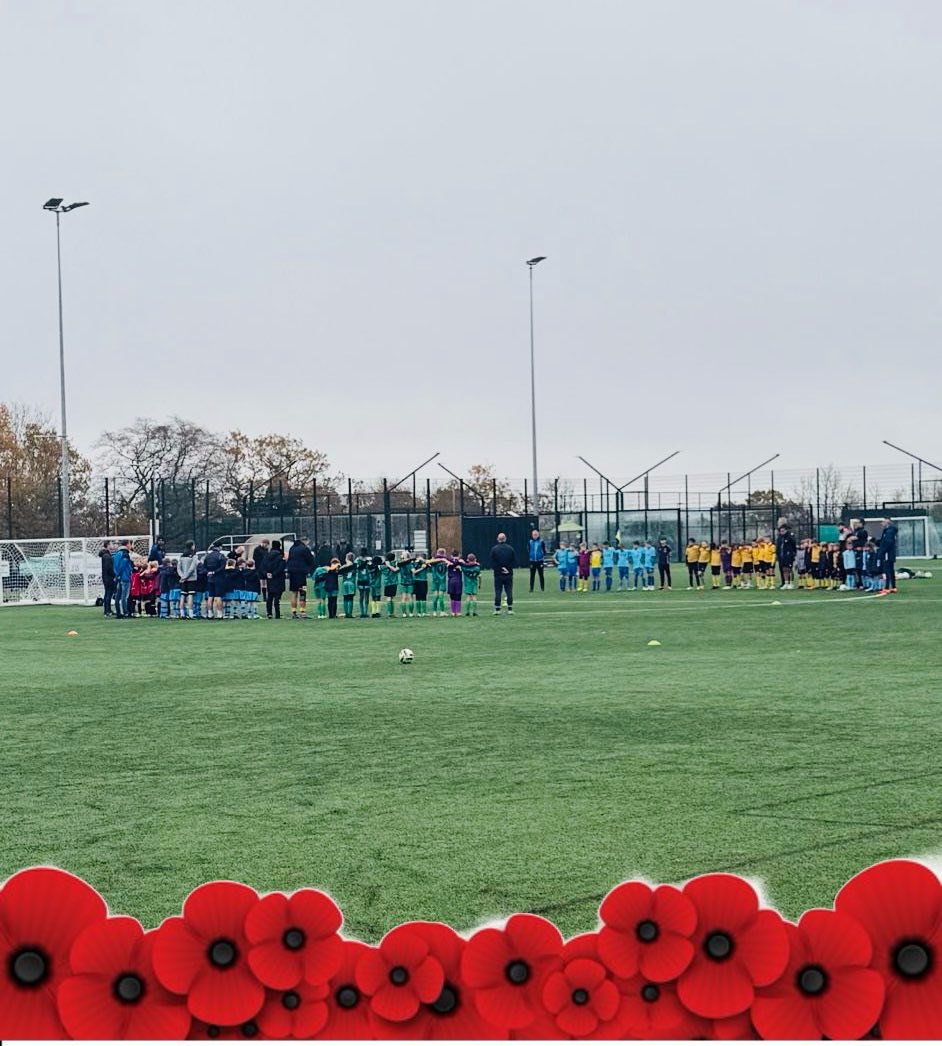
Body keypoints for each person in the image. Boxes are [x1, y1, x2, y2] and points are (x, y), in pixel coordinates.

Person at [287, 536, 316, 620]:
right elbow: (310, 560)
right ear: (305, 541)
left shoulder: (292, 548)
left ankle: (293, 612)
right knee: (303, 592)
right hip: (301, 573)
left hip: (292, 573)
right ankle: (302, 612)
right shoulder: (304, 549)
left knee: (294, 592)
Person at [490, 532, 516, 614]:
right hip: (508, 574)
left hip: (498, 574)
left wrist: (500, 568)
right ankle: (510, 608)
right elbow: (513, 561)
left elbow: (492, 562)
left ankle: (497, 609)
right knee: (509, 591)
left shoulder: (494, 549)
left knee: (498, 591)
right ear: (505, 539)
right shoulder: (510, 549)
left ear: (498, 539)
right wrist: (507, 568)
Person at [203, 543, 227, 620]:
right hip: (219, 578)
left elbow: (204, 567)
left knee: (210, 596)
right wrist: (215, 572)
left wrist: (209, 572)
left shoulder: (207, 556)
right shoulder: (221, 556)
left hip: (210, 578)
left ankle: (210, 614)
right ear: (219, 547)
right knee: (219, 596)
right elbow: (222, 567)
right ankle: (219, 614)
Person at [264, 540, 286, 619]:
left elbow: (263, 566)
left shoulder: (266, 556)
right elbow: (281, 568)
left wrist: (267, 574)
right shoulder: (280, 557)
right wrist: (274, 574)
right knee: (277, 597)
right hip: (278, 578)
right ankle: (277, 613)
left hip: (269, 579)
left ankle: (269, 613)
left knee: (270, 596)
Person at [177, 541, 199, 619]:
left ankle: (182, 613)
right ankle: (190, 613)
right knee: (190, 595)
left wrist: (182, 576)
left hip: (183, 578)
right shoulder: (194, 556)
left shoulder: (182, 556)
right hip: (191, 578)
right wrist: (186, 576)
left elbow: (179, 568)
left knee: (183, 595)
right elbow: (192, 568)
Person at [112, 540, 133, 618]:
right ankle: (125, 612)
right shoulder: (125, 554)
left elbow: (115, 566)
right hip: (125, 577)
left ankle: (118, 612)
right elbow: (123, 565)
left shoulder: (116, 554)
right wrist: (119, 575)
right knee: (124, 596)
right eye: (130, 544)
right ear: (127, 544)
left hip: (120, 577)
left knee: (118, 595)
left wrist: (117, 575)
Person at [878, 516, 898, 593]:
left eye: (883, 521)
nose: (881, 523)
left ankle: (886, 587)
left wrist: (882, 551)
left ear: (887, 522)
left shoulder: (889, 532)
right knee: (891, 570)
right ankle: (893, 586)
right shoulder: (889, 531)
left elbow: (888, 542)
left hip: (887, 554)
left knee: (887, 570)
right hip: (890, 553)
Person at [429, 549, 449, 616]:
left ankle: (434, 612)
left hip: (435, 580)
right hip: (442, 580)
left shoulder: (434, 562)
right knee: (441, 596)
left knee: (435, 596)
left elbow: (427, 562)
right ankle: (442, 612)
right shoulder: (445, 561)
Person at [776, 525, 797, 589]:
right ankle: (786, 583)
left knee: (789, 569)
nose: (781, 532)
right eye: (781, 531)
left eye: (783, 531)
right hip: (782, 557)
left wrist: (793, 553)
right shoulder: (779, 538)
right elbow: (778, 547)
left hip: (788, 556)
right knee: (784, 569)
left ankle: (791, 583)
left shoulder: (790, 536)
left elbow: (793, 545)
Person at [99, 540, 116, 615]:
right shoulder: (107, 556)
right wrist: (114, 575)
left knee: (108, 593)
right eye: (112, 544)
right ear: (108, 545)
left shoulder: (106, 555)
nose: (113, 546)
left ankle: (107, 610)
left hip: (106, 577)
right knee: (108, 594)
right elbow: (108, 568)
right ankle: (107, 610)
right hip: (108, 578)